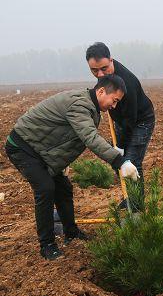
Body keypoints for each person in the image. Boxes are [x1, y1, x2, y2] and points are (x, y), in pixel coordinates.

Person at [5, 75, 139, 260]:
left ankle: (71, 233)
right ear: (101, 91)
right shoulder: (80, 105)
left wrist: (62, 163)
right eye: (114, 100)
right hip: (23, 147)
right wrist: (119, 162)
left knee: (64, 188)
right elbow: (89, 138)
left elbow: (71, 139)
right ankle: (47, 246)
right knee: (45, 189)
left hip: (41, 150)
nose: (114, 106)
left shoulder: (91, 108)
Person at [85, 42, 155, 197]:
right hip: (121, 118)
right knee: (118, 160)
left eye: (103, 68)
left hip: (140, 121)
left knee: (131, 162)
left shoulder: (127, 83)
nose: (100, 74)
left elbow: (130, 121)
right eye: (94, 70)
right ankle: (129, 197)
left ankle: (136, 208)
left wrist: (121, 145)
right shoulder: (104, 75)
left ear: (111, 60)